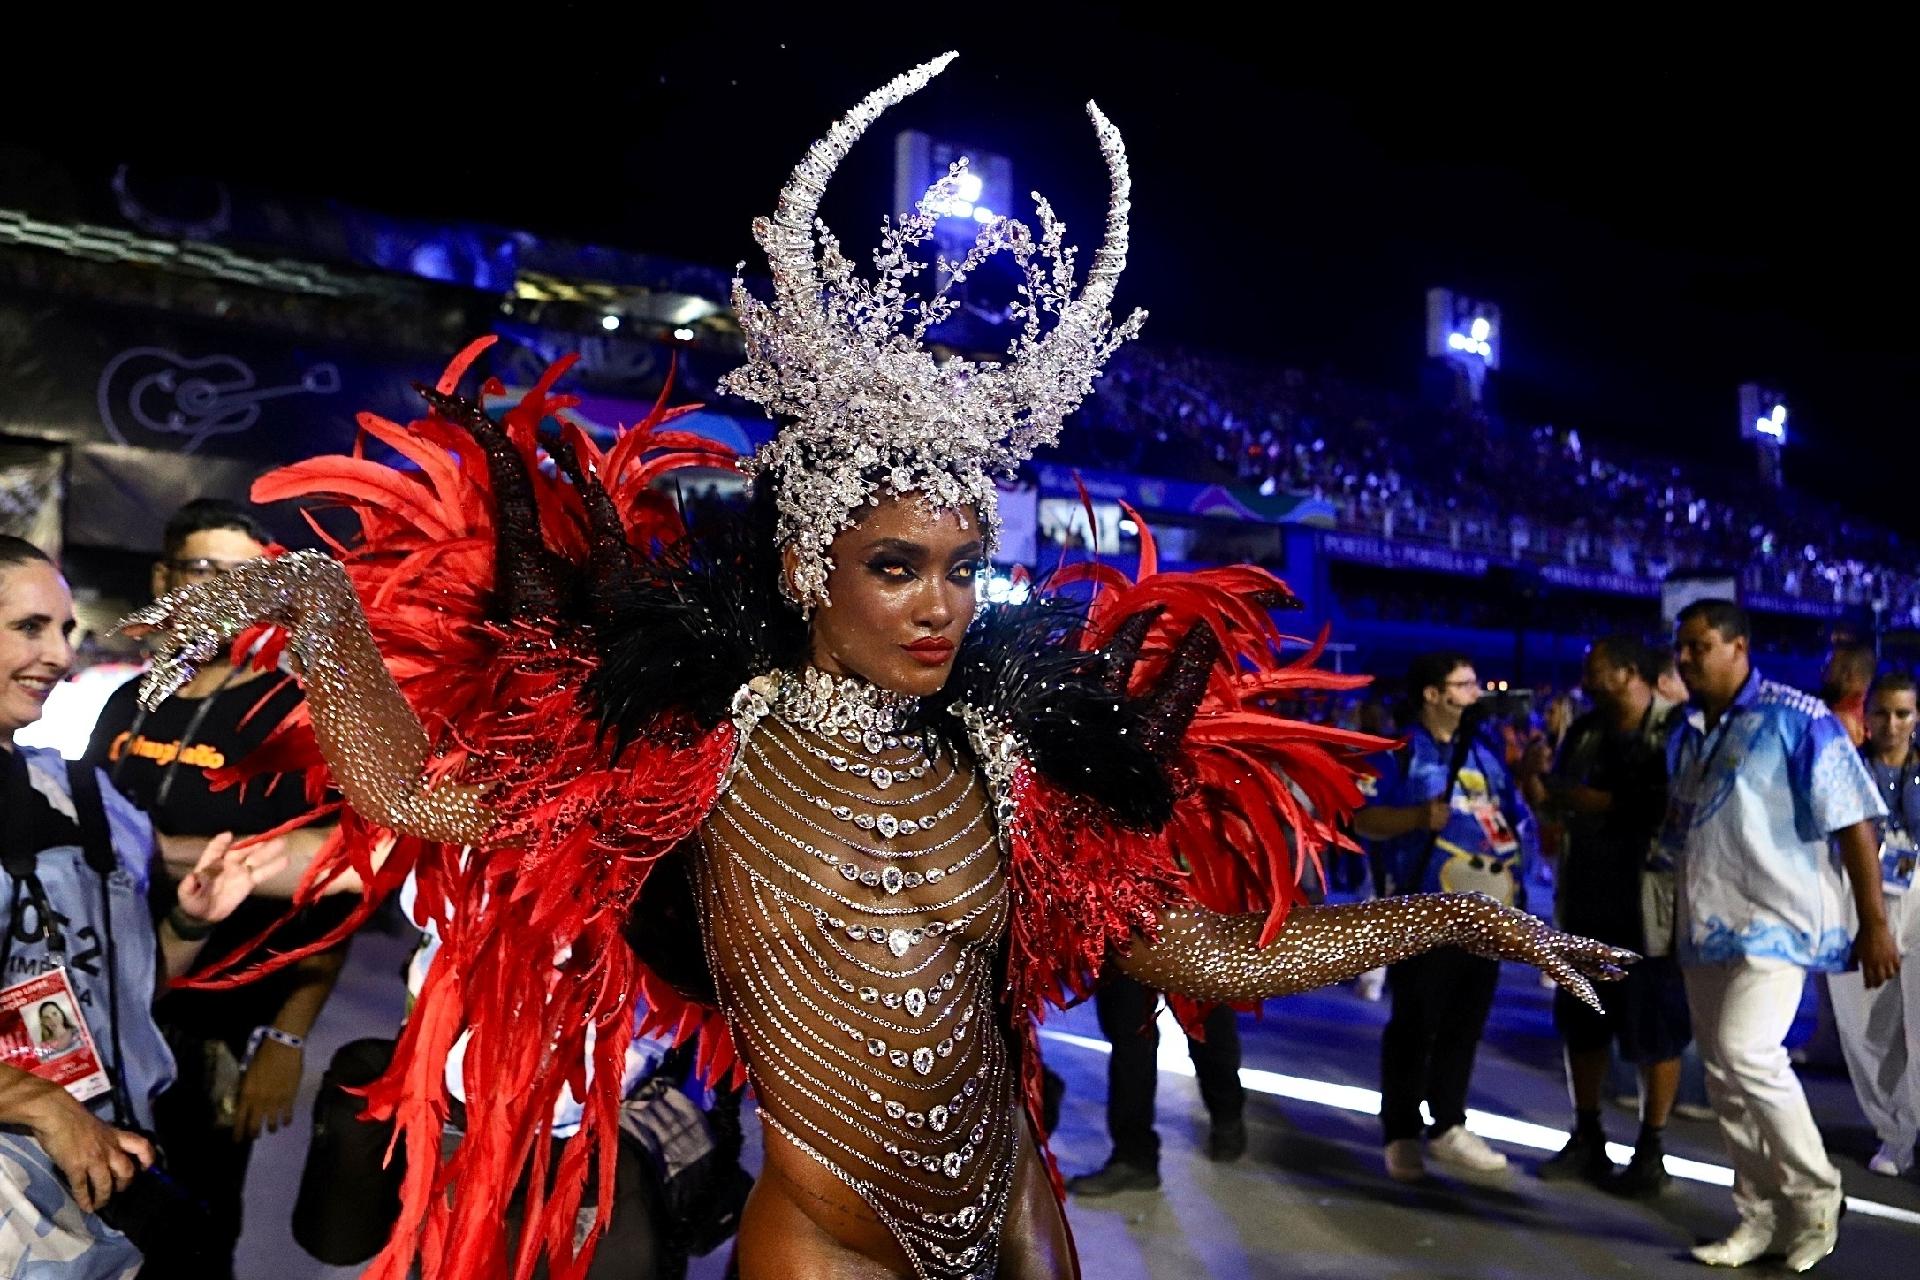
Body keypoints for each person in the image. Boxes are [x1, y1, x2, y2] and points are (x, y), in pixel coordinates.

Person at [122, 55, 1631, 1280]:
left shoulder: (1006, 763)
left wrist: (1450, 918)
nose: (940, 606)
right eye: (897, 566)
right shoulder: (693, 751)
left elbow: (1195, 955)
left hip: (1017, 1216)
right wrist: (317, 602)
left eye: (963, 568)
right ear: (805, 571)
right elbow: (420, 798)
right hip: (826, 1240)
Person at [0, 535, 283, 1278]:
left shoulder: (83, 795)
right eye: (29, 627)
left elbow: (120, 990)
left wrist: (190, 921)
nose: (60, 655)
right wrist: (40, 1103)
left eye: (65, 629)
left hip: (104, 1190)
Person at [85, 497, 353, 1280]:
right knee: (90, 1219)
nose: (228, 593)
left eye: (248, 578)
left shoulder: (291, 714)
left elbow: (337, 887)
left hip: (213, 1038)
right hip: (105, 1018)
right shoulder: (127, 702)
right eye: (206, 570)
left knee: (192, 1239)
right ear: (163, 579)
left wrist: (287, 1037)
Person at [1667, 599, 1896, 1272]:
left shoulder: (1798, 717)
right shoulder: (1688, 729)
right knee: (1722, 1076)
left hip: (1778, 919)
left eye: (1699, 645)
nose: (1685, 657)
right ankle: (1758, 1215)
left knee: (1748, 1052)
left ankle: (1817, 1196)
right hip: (1704, 921)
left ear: (1738, 647)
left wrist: (1874, 923)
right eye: (1681, 646)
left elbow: (1854, 820)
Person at [1354, 652, 1544, 1182]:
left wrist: (1516, 890)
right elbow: (1361, 818)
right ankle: (1400, 1132)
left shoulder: (1485, 754)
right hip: (1421, 911)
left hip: (1483, 914)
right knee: (1414, 1024)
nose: (1475, 693)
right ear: (1433, 694)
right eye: (1464, 685)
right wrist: (1416, 817)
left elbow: (1510, 821)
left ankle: (1449, 1124)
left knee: (1465, 1022)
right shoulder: (1397, 753)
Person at [1524, 635, 1689, 1196]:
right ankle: (1587, 1136)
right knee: (1582, 1024)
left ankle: (1651, 1148)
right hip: (1586, 899)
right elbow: (1556, 808)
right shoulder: (1585, 732)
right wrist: (1536, 782)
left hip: (1649, 906)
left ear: (1627, 673)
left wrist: (1605, 804)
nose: (1586, 679)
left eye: (1595, 669)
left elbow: (1678, 806)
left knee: (1655, 1031)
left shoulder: (1675, 730)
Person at [1828, 671, 1920, 1177]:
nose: (1892, 724)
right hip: (1859, 899)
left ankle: (1910, 1128)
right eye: (1882, 713)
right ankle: (1894, 1132)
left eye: (1903, 713)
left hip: (1918, 897)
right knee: (1864, 1025)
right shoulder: (1844, 769)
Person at [1064, 972, 1245, 1195]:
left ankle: (1227, 1114)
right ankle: (1134, 1158)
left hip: (1194, 949)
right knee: (1128, 1029)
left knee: (1206, 1019)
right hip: (1125, 951)